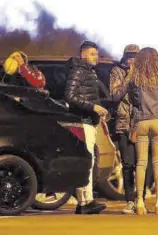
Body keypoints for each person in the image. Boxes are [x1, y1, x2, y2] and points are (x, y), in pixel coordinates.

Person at [112, 47, 158, 215]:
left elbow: (131, 99)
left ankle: (139, 202)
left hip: (141, 121)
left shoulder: (135, 79)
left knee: (141, 163)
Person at [64, 41, 108, 214]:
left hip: (90, 121)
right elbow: (69, 95)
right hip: (83, 121)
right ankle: (85, 201)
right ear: (83, 54)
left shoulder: (89, 72)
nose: (95, 57)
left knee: (89, 160)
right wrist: (93, 107)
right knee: (87, 161)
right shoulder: (79, 70)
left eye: (96, 54)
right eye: (91, 54)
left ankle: (85, 200)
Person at [110, 44, 140, 214]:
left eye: (135, 57)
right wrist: (128, 77)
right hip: (123, 124)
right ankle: (129, 200)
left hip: (141, 124)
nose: (132, 60)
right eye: (129, 57)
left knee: (142, 163)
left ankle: (141, 198)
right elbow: (114, 95)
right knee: (128, 164)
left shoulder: (145, 74)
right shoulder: (117, 72)